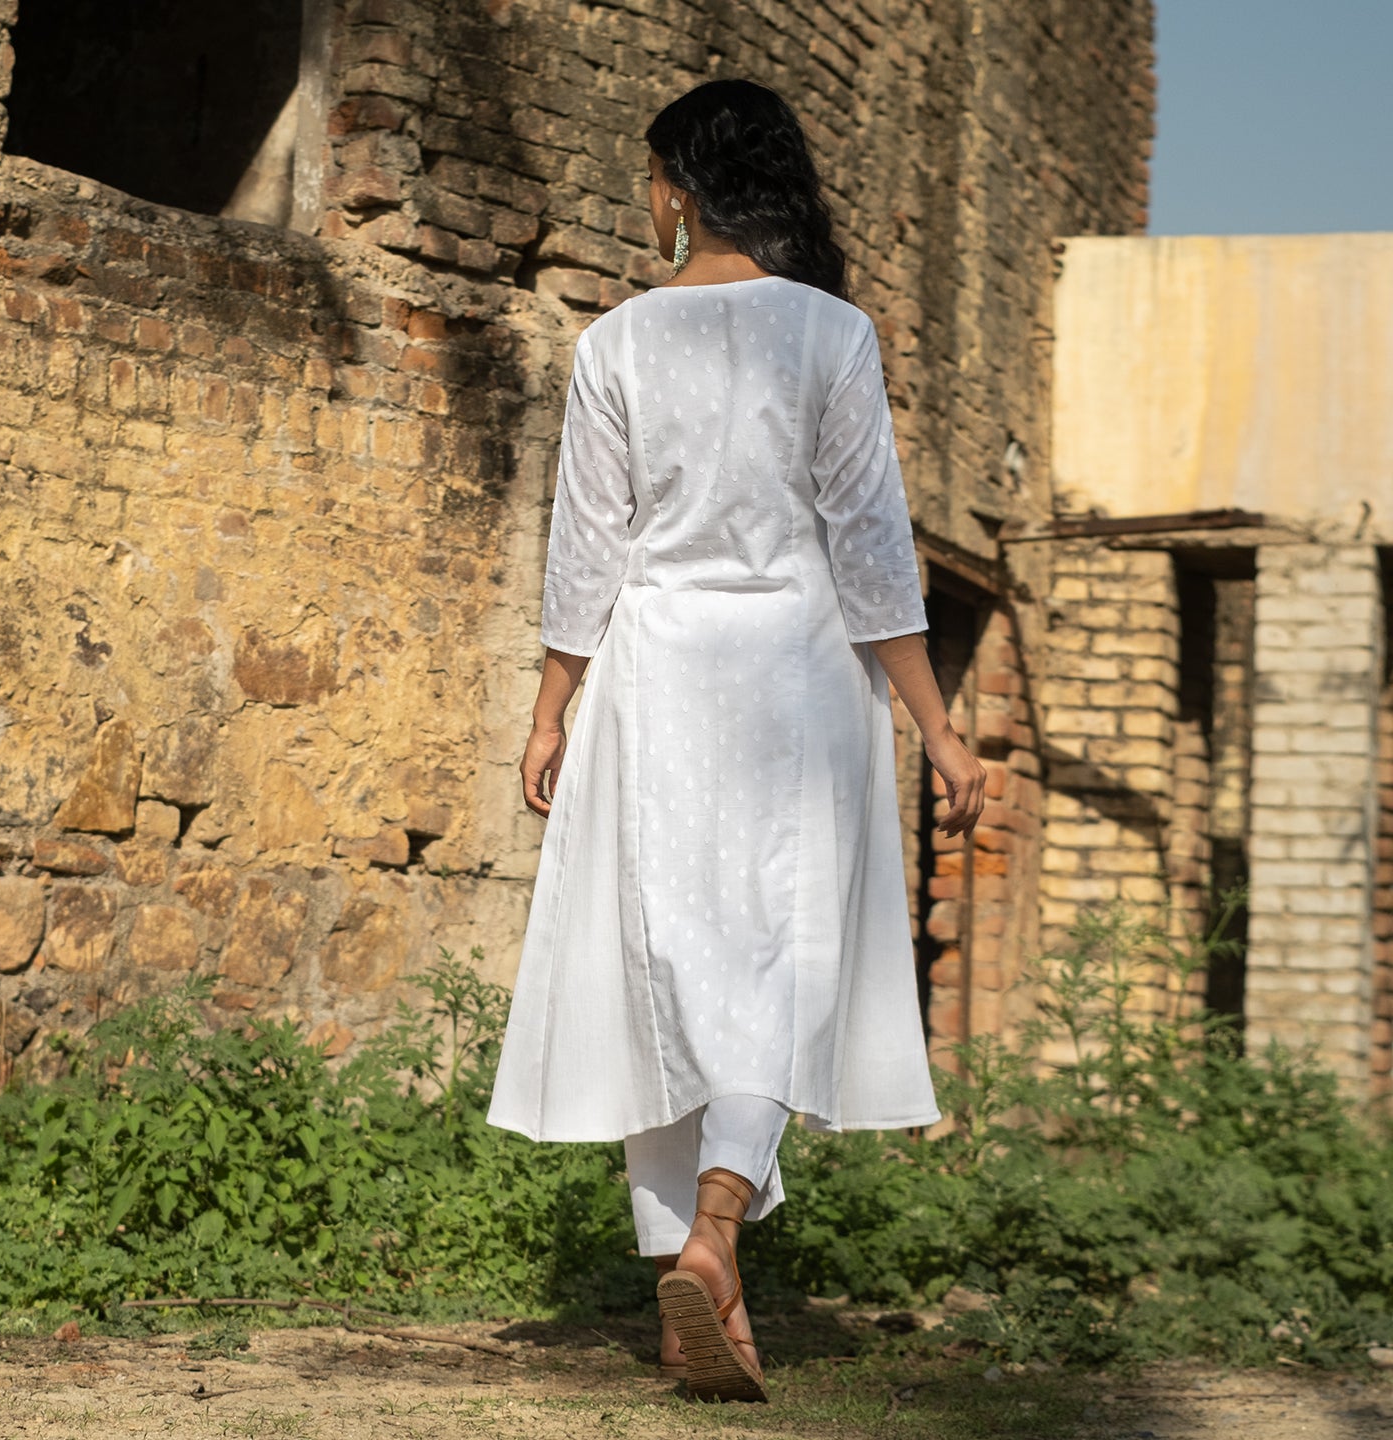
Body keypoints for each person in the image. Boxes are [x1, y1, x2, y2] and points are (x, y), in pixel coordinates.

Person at [487, 78, 985, 1403]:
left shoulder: (616, 348)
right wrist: (939, 732)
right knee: (782, 961)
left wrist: (550, 710)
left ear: (683, 187)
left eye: (652, 177)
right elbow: (876, 555)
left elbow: (586, 550)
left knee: (664, 973)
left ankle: (697, 1286)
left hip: (658, 672)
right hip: (801, 677)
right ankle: (713, 1249)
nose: (645, 200)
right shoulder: (832, 335)